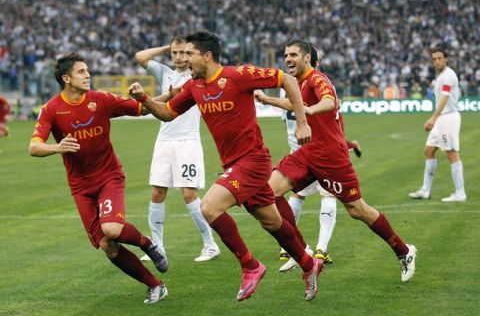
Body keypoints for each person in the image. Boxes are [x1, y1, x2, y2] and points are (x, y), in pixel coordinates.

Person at [128, 30, 324, 301]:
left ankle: (250, 265)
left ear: (206, 56)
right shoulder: (193, 87)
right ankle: (308, 264)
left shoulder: (237, 75)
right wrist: (144, 99)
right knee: (272, 222)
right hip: (234, 163)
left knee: (209, 206)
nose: (185, 60)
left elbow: (286, 79)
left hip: (253, 160)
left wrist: (302, 121)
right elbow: (167, 113)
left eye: (189, 54)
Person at [259, 39, 417, 283]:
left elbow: (329, 101)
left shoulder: (318, 79)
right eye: (285, 54)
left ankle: (403, 251)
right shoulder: (298, 83)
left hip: (331, 158)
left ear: (306, 58)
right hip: (306, 153)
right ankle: (304, 250)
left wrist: (310, 111)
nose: (287, 58)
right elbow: (294, 104)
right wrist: (267, 100)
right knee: (267, 193)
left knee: (358, 210)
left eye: (293, 54)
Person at [29, 53, 168, 304]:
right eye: (81, 71)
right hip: (81, 187)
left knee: (112, 229)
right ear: (66, 78)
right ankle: (155, 285)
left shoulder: (100, 99)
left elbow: (140, 109)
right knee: (107, 245)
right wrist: (57, 147)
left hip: (108, 176)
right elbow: (34, 146)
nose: (88, 75)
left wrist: (167, 95)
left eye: (87, 70)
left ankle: (148, 244)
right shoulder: (51, 109)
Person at [135, 36, 220, 263]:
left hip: (188, 142)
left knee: (189, 194)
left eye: (184, 52)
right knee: (157, 193)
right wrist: (166, 46)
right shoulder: (165, 73)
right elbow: (140, 57)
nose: (180, 57)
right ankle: (158, 247)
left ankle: (210, 244)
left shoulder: (197, 74)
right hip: (164, 141)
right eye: (175, 53)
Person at [409, 47, 466, 202]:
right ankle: (425, 191)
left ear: (446, 59)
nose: (437, 61)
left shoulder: (448, 75)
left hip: (448, 118)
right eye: (434, 59)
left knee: (451, 153)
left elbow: (445, 97)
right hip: (441, 119)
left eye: (440, 58)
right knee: (429, 151)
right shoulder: (440, 76)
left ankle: (460, 193)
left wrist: (433, 118)